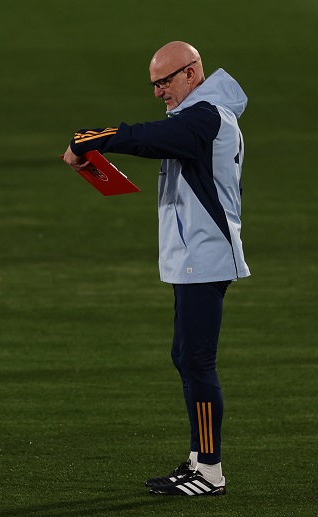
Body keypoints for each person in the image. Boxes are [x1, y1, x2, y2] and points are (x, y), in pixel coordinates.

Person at [63, 41, 250, 496]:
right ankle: (198, 460)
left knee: (197, 360)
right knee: (185, 357)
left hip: (204, 257)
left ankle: (209, 471)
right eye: (154, 84)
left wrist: (93, 137)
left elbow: (148, 139)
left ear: (191, 73)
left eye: (165, 81)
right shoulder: (202, 115)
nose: (158, 92)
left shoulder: (206, 117)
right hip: (195, 256)